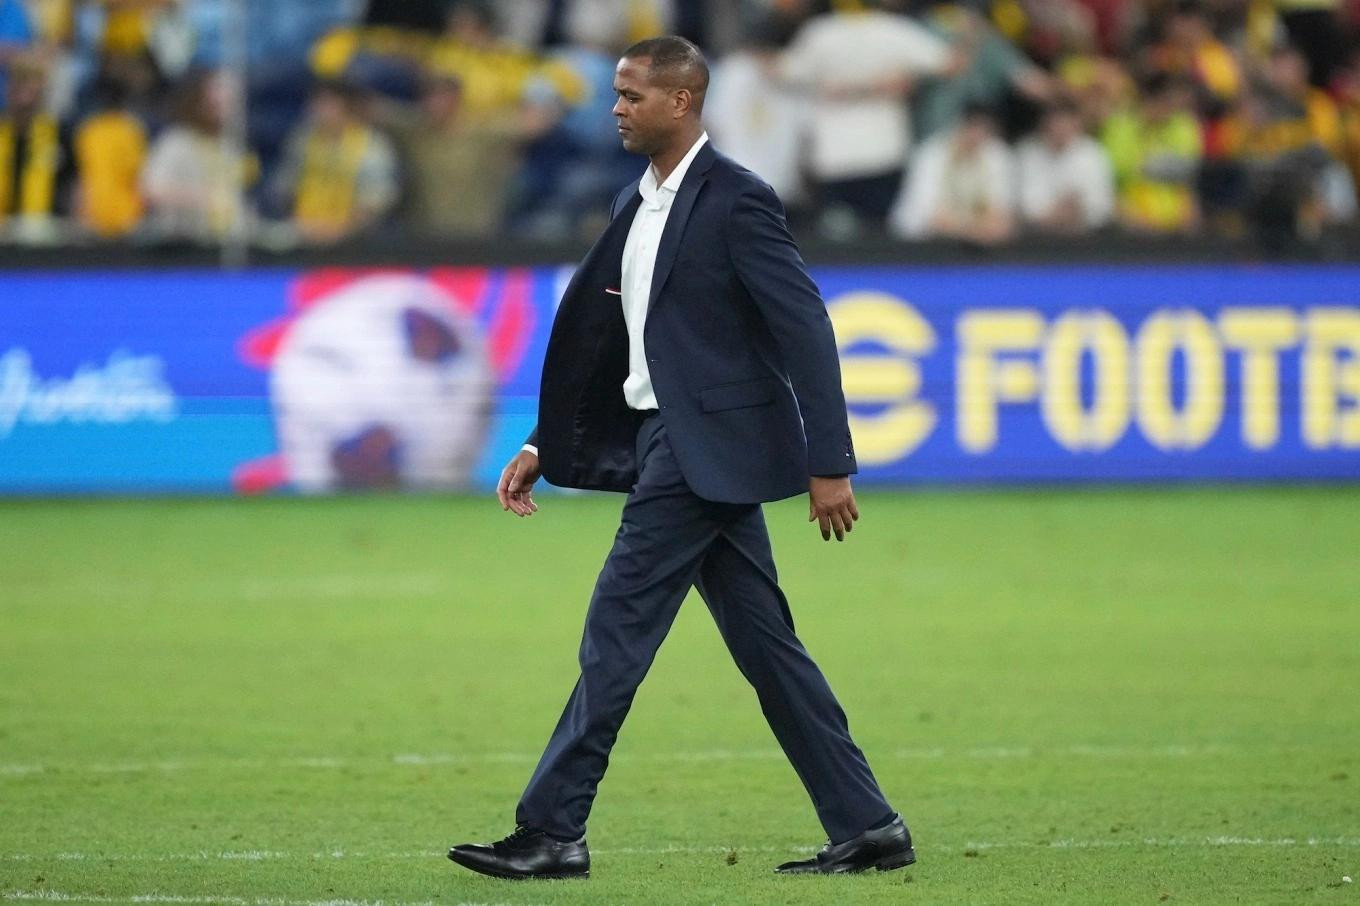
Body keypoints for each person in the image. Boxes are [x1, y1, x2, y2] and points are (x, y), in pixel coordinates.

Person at [447, 35, 911, 882]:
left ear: (682, 101)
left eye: (632, 96)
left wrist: (830, 459)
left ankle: (553, 829)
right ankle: (869, 825)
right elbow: (610, 340)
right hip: (679, 446)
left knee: (615, 631)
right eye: (617, 94)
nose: (616, 109)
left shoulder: (738, 200)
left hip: (701, 449)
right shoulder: (636, 203)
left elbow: (804, 324)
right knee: (768, 647)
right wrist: (545, 440)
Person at [889, 102, 1016, 243]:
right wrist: (968, 229)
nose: (977, 136)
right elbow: (925, 210)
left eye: (986, 130)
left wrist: (988, 225)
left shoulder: (997, 154)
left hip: (981, 238)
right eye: (973, 128)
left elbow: (1001, 208)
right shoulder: (931, 154)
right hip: (923, 240)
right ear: (960, 125)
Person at [1015, 97, 1115, 233]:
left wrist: (1079, 210)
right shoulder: (1028, 152)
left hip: (1086, 235)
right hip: (1037, 235)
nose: (1060, 128)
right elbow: (1026, 207)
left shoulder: (1093, 153)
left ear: (1077, 123)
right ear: (1044, 124)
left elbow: (1102, 206)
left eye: (1066, 121)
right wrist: (1057, 213)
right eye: (1056, 122)